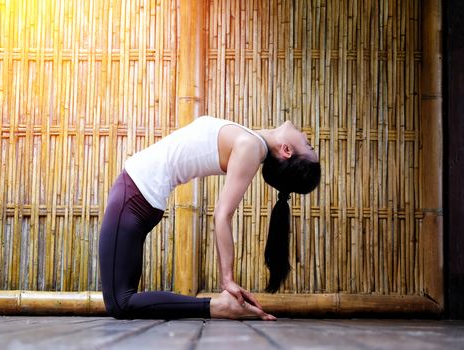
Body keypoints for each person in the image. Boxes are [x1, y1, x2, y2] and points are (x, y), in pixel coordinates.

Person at [99, 116, 320, 320]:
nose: (307, 138)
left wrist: (227, 280)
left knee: (120, 303)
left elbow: (223, 214)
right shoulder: (252, 141)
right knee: (122, 299)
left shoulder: (251, 147)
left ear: (287, 150)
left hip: (134, 194)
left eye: (308, 146)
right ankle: (217, 305)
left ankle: (217, 306)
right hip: (139, 196)